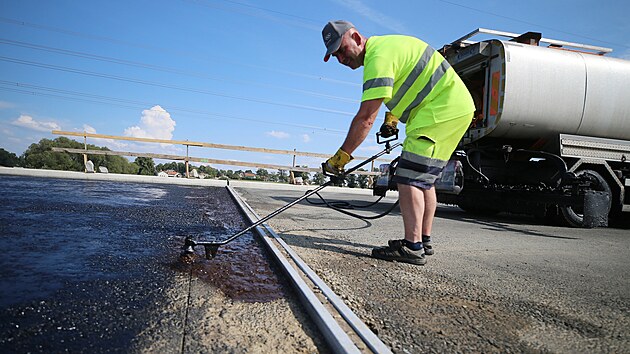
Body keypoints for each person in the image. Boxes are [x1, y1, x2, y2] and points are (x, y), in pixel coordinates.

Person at [321, 20, 475, 265]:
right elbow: (410, 78)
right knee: (424, 180)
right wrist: (392, 118)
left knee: (408, 177)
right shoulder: (388, 46)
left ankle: (412, 247)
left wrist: (341, 158)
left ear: (357, 37)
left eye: (341, 50)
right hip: (453, 110)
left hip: (438, 112)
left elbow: (365, 118)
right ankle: (423, 240)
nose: (340, 59)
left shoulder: (377, 58)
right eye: (335, 55)